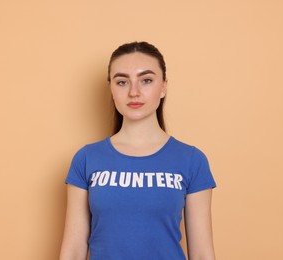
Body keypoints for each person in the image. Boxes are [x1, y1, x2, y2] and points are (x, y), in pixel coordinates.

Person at [60, 41, 216, 260]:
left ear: (163, 87)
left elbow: (201, 254)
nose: (134, 92)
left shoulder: (192, 160)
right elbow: (73, 251)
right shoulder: (86, 159)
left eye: (146, 80)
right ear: (111, 89)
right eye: (122, 82)